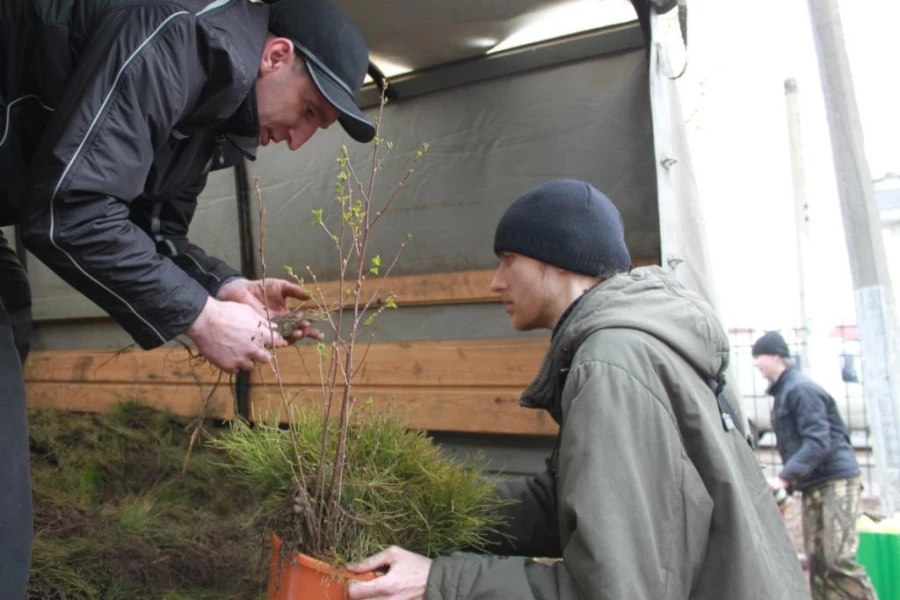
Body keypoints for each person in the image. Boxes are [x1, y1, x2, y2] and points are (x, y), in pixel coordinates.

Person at [0, 0, 374, 594]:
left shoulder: (213, 111)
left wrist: (226, 287)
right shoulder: (186, 40)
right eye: (309, 112)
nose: (299, 141)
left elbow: (153, 231)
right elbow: (69, 211)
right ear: (276, 56)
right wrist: (201, 317)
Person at [347, 179, 808, 599]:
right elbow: (568, 506)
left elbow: (614, 590)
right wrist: (430, 506)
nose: (496, 281)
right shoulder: (642, 344)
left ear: (557, 258)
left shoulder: (611, 361)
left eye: (508, 259)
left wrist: (439, 580)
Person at [752, 331, 877, 599]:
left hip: (835, 482)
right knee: (819, 566)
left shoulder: (800, 390)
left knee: (838, 561)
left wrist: (784, 478)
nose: (755, 363)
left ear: (776, 355)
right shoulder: (784, 392)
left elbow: (818, 441)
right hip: (814, 484)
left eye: (759, 356)